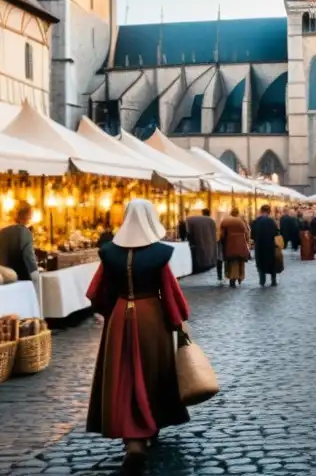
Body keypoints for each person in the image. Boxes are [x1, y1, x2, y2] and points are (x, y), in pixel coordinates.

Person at [86, 199, 190, 473]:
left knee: (123, 373)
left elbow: (97, 292)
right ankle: (146, 427)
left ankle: (131, 436)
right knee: (151, 371)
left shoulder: (110, 252)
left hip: (120, 316)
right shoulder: (159, 253)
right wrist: (178, 320)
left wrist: (110, 309)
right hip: (150, 317)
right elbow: (169, 291)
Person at [0, 202, 39, 283]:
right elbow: (30, 260)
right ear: (26, 217)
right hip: (17, 279)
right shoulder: (23, 232)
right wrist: (36, 278)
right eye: (30, 217)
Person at [218, 208, 250, 288]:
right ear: (237, 213)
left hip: (229, 245)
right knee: (240, 262)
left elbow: (222, 235)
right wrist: (247, 242)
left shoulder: (225, 221)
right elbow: (247, 233)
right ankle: (239, 277)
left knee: (230, 262)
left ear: (230, 213)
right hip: (241, 245)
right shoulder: (241, 221)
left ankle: (232, 278)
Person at [251, 204, 282, 287]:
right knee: (272, 262)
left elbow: (252, 235)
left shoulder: (255, 221)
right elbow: (276, 233)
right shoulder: (271, 221)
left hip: (259, 246)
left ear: (261, 211)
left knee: (260, 262)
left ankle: (262, 280)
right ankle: (273, 280)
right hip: (270, 245)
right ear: (269, 212)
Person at [183, 209, 218, 274]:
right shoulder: (211, 221)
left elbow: (187, 234)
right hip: (207, 245)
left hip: (199, 245)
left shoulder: (189, 220)